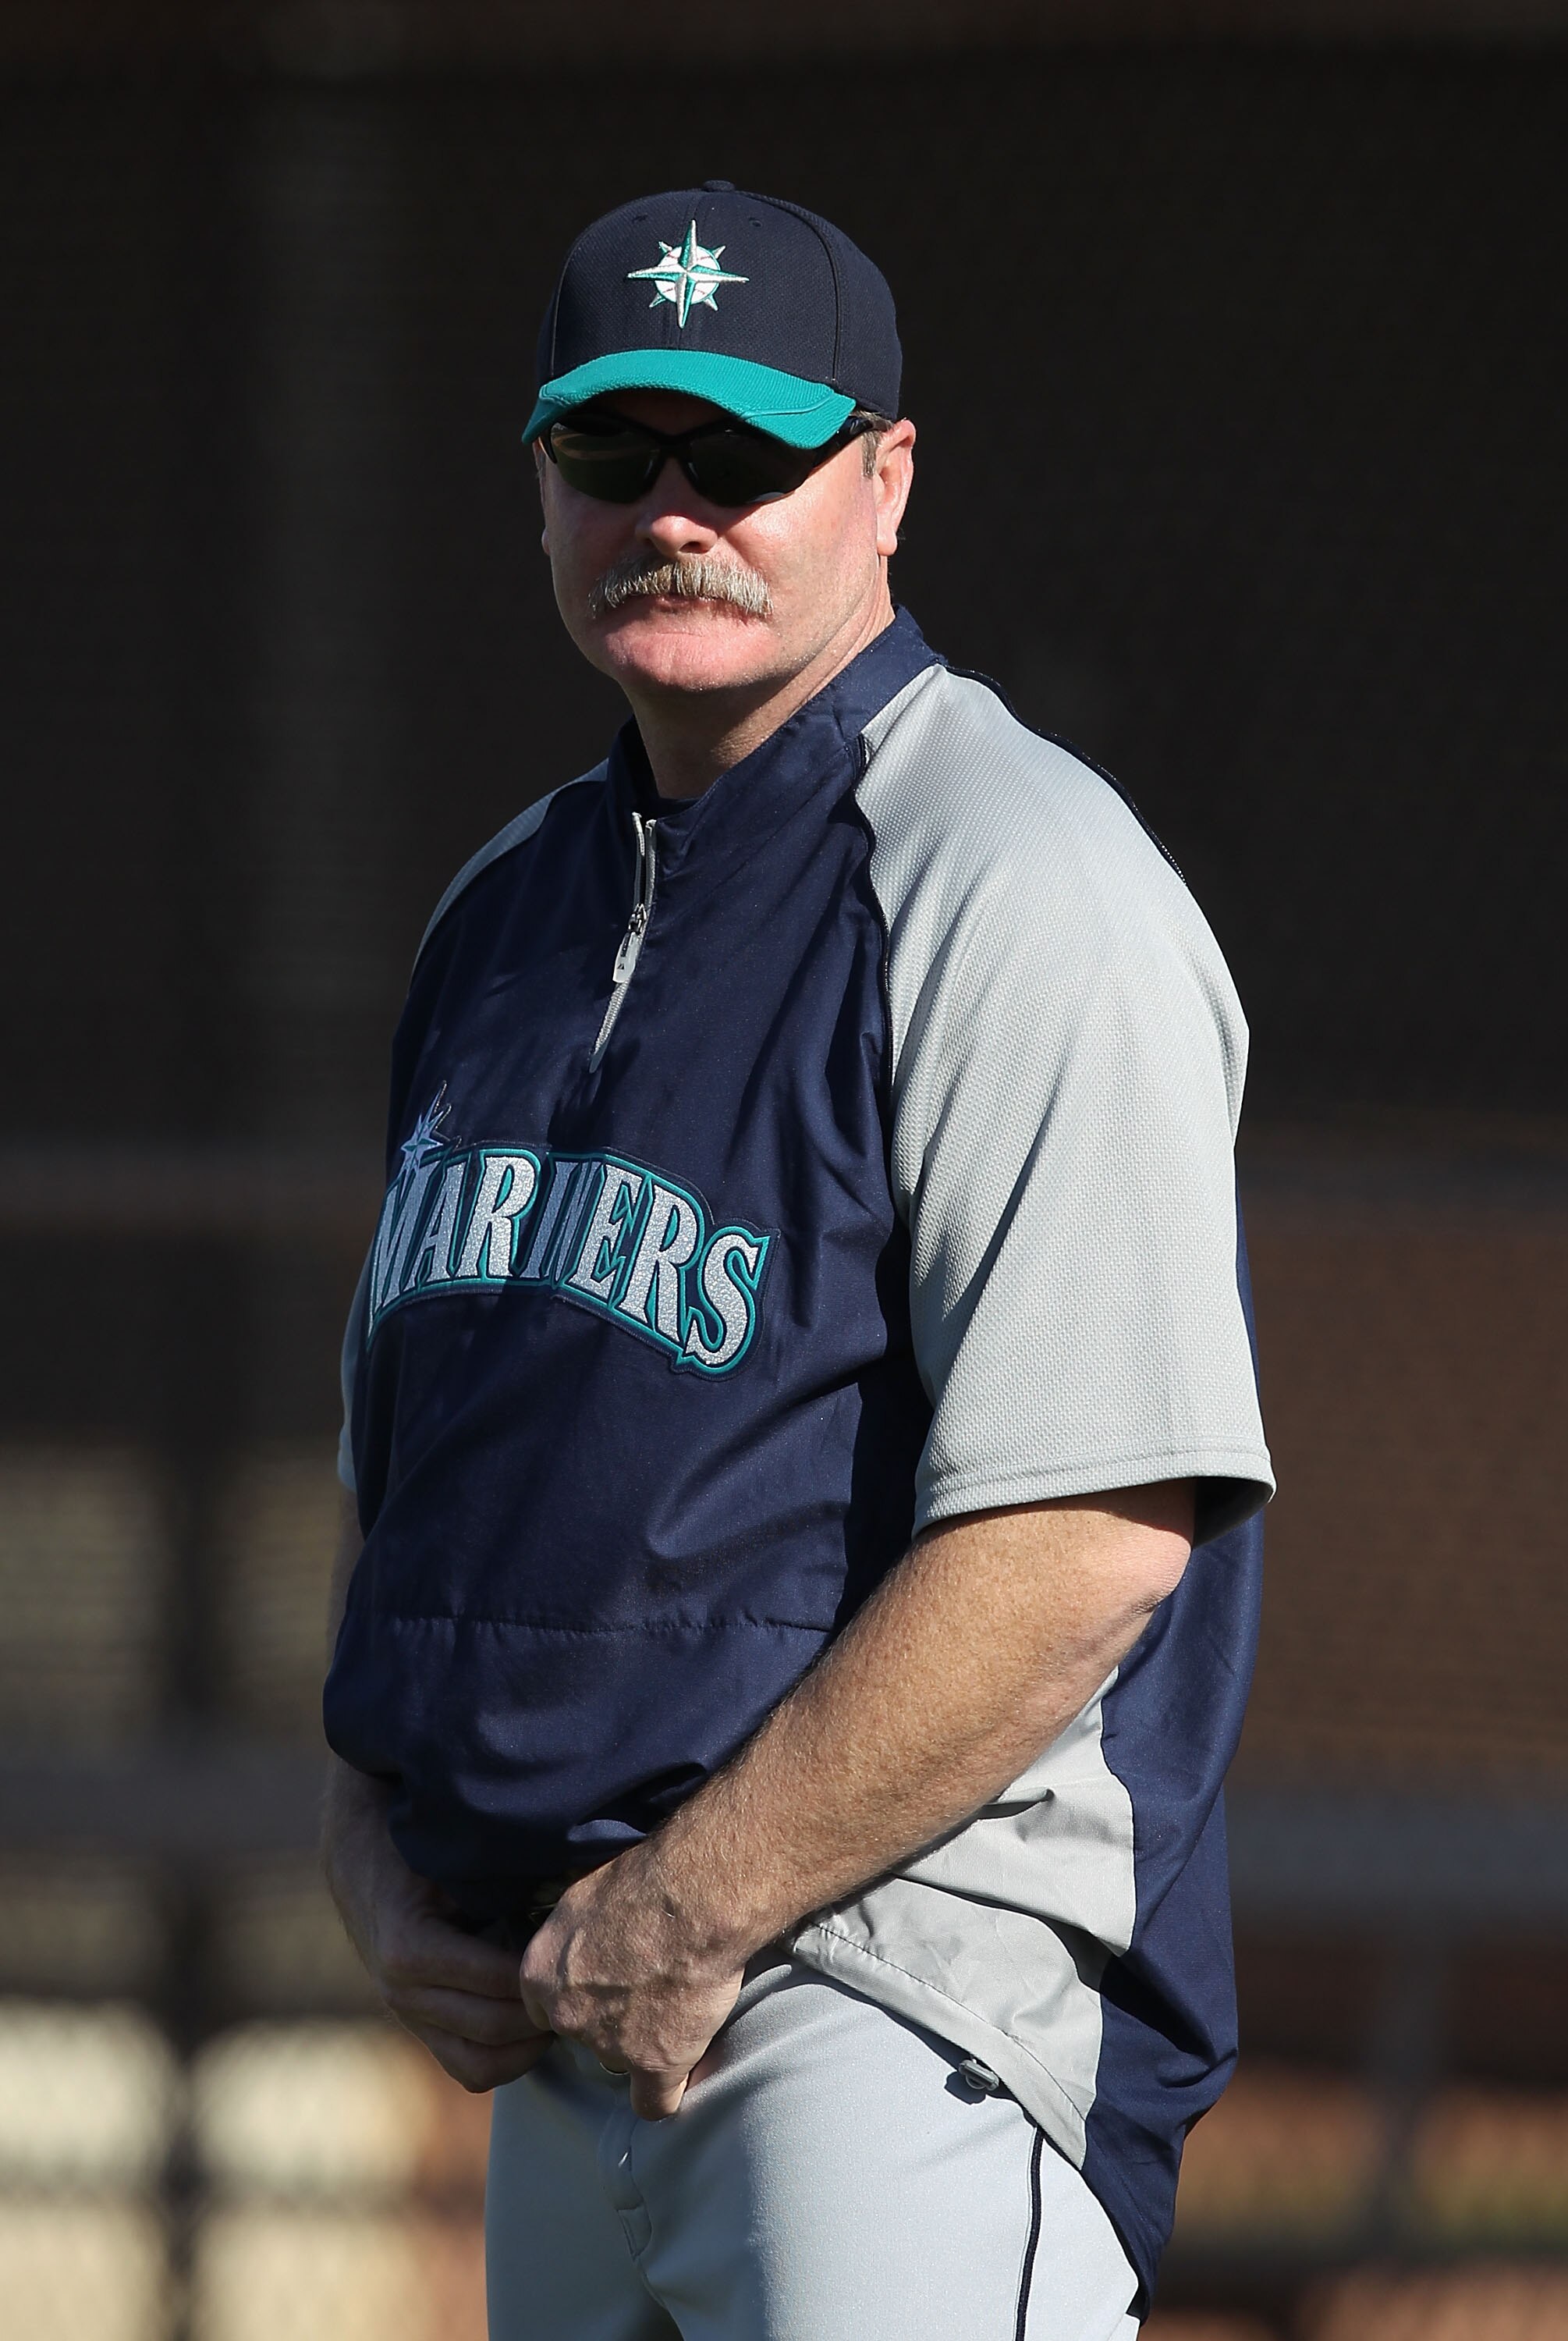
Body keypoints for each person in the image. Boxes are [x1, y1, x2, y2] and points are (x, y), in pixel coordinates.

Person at [321, 181, 1273, 2341]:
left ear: (883, 482)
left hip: (895, 2012)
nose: (677, 510)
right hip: (569, 2034)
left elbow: (1090, 1531)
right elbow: (417, 1493)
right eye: (612, 454)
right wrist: (378, 1856)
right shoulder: (501, 914)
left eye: (743, 455)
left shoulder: (1019, 879)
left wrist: (686, 1904)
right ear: (541, 483)